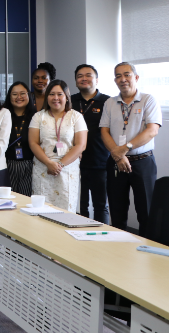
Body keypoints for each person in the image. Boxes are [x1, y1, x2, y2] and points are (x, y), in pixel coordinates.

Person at [100, 62, 162, 235]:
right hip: (115, 164)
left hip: (143, 162)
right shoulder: (110, 103)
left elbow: (152, 130)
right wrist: (118, 156)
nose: (123, 79)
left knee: (146, 212)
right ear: (115, 80)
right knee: (117, 212)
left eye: (126, 74)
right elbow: (104, 131)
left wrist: (124, 149)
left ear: (136, 77)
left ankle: (148, 254)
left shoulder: (148, 100)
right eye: (118, 76)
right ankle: (119, 252)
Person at [29, 80, 87, 212]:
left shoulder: (76, 116)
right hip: (43, 169)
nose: (55, 98)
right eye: (51, 94)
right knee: (42, 210)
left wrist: (59, 165)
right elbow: (33, 143)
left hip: (67, 170)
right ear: (47, 97)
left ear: (66, 97)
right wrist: (49, 163)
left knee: (66, 209)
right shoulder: (38, 116)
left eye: (60, 94)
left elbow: (81, 145)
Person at [72, 65, 111, 223]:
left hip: (100, 161)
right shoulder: (70, 100)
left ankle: (103, 239)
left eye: (88, 75)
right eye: (80, 76)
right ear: (76, 81)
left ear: (97, 79)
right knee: (80, 205)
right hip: (75, 161)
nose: (84, 78)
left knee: (101, 205)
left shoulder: (108, 102)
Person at [2, 81, 36, 196]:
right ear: (9, 96)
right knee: (7, 199)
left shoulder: (36, 116)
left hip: (29, 165)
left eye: (22, 93)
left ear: (29, 95)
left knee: (26, 199)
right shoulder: (2, 116)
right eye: (14, 94)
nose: (19, 97)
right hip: (7, 164)